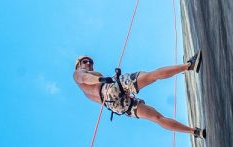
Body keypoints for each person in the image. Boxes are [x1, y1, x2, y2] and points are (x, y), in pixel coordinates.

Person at [73, 52, 206, 139]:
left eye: (90, 62)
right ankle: (189, 65)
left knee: (157, 118)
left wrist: (114, 77)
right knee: (152, 76)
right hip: (109, 90)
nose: (89, 63)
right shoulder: (77, 73)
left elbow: (100, 92)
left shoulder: (86, 93)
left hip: (115, 105)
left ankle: (194, 132)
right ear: (78, 64)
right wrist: (101, 80)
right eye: (85, 61)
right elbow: (85, 78)